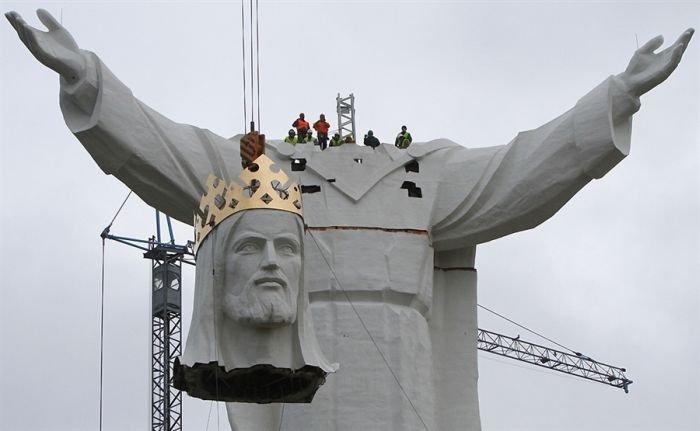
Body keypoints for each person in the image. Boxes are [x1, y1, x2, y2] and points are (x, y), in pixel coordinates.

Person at [6, 9, 694, 431]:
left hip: (410, 374)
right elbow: (164, 147)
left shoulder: (429, 172)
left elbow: (523, 170)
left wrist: (615, 97)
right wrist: (88, 80)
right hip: (311, 384)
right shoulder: (264, 168)